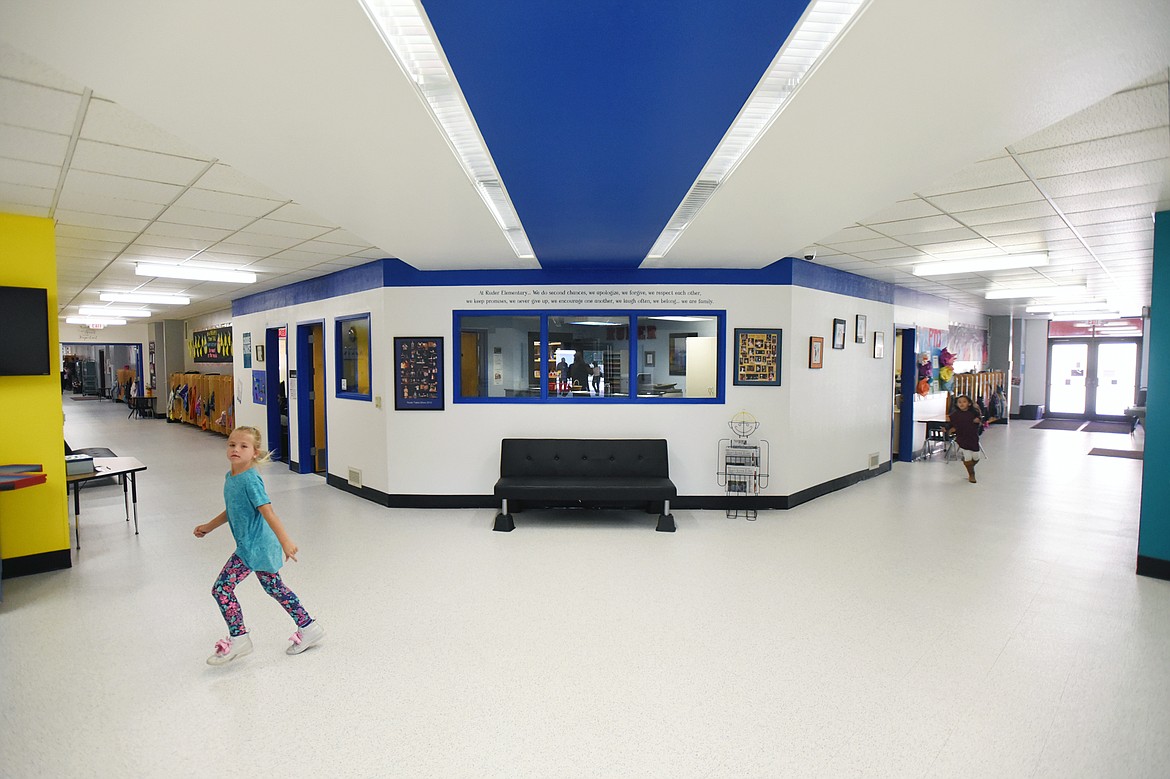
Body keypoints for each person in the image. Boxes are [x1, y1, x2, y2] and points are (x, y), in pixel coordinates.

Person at [194, 426, 324, 665]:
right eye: (232, 444)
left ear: (254, 452)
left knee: (221, 589)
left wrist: (285, 541)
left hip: (255, 548)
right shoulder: (231, 477)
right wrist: (209, 526)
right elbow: (233, 510)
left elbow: (268, 511)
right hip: (251, 545)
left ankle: (240, 638)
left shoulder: (250, 480)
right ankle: (309, 626)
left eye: (243, 446)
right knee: (275, 589)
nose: (235, 449)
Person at [948, 394, 983, 483]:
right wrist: (949, 429)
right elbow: (951, 424)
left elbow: (981, 422)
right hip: (962, 438)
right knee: (967, 456)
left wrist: (978, 421)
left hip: (973, 438)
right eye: (959, 402)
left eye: (964, 402)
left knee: (976, 457)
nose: (961, 404)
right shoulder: (955, 415)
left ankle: (969, 465)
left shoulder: (974, 413)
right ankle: (971, 475)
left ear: (969, 403)